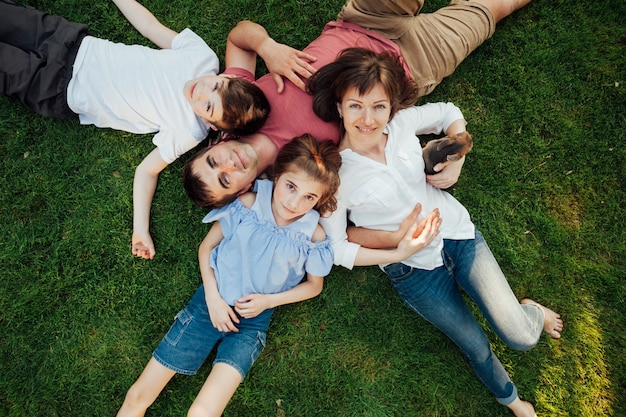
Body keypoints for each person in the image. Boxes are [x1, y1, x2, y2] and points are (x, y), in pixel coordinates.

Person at [310, 48, 564, 417]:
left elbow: (448, 113)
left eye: (379, 107)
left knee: (522, 338)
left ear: (391, 106)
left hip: (459, 237)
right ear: (339, 107)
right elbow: (336, 247)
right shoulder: (336, 174)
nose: (368, 120)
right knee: (475, 345)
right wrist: (396, 251)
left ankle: (531, 313)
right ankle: (511, 399)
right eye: (356, 107)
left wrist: (457, 158)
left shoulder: (399, 126)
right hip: (413, 271)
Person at [182, 0, 535, 209]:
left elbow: (239, 36)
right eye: (226, 180)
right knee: (497, 7)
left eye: (214, 162)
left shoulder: (237, 111)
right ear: (243, 189)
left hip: (364, 19)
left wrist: (268, 47)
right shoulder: (298, 176)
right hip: (413, 64)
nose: (228, 165)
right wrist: (453, 153)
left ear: (217, 145)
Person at [0, 0, 270, 260]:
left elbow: (146, 170)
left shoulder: (189, 131)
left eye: (208, 108)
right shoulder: (202, 57)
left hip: (59, 89)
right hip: (72, 43)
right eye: (215, 86)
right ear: (226, 76)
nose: (200, 93)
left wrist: (140, 229)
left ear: (212, 126)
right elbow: (151, 27)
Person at [117, 134, 357, 416]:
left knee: (203, 413)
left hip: (251, 325)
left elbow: (313, 287)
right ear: (278, 176)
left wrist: (269, 302)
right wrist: (213, 298)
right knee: (138, 395)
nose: (294, 202)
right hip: (208, 306)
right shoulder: (247, 205)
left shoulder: (313, 237)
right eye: (291, 187)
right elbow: (206, 247)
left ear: (320, 199)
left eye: (309, 197)